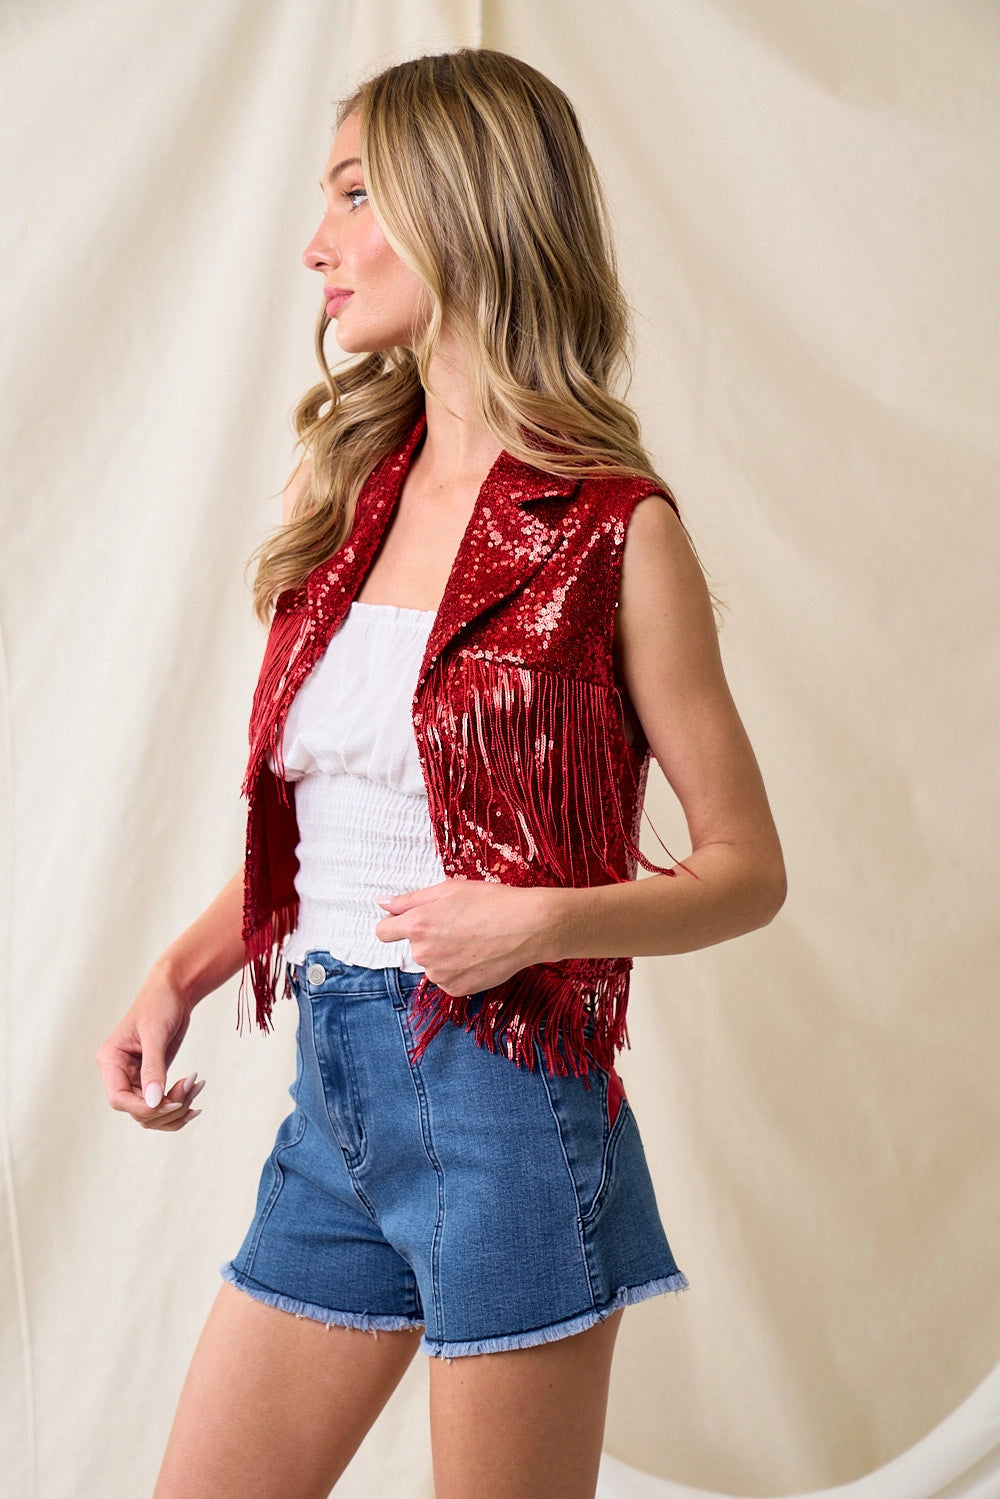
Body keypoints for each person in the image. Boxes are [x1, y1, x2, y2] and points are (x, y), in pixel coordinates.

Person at [97, 48, 785, 1499]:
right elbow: (332, 828)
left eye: (356, 195)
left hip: (511, 1105)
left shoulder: (613, 533)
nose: (318, 241)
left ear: (461, 208)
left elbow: (745, 869)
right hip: (335, 1097)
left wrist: (537, 921)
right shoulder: (338, 494)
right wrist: (180, 970)